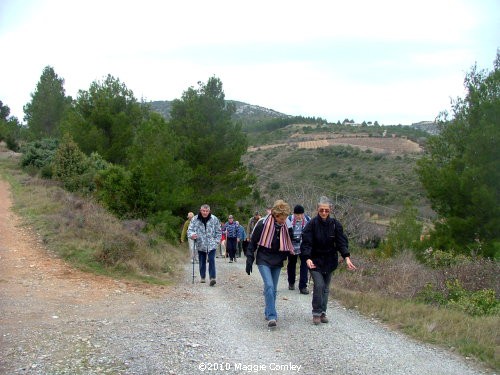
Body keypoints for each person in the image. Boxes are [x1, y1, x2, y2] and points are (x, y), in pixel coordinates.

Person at [301, 196, 356, 325]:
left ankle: (323, 312)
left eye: (326, 210)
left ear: (330, 210)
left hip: (330, 261)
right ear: (317, 210)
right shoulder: (312, 224)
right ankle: (316, 312)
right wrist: (307, 258)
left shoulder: (335, 225)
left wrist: (346, 257)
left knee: (325, 288)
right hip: (314, 260)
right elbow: (306, 243)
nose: (324, 213)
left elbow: (341, 242)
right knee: (319, 285)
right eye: (321, 210)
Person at [246, 199, 295, 328]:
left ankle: (268, 311)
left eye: (285, 218)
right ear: (275, 215)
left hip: (277, 260)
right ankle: (272, 316)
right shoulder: (262, 224)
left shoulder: (287, 226)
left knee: (273, 289)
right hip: (264, 258)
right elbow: (252, 243)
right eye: (281, 218)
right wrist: (249, 260)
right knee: (269, 285)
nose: (283, 220)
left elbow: (289, 244)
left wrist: (289, 258)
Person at [187, 204, 222, 286]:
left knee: (211, 260)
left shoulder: (214, 219)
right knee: (202, 261)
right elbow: (190, 230)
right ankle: (203, 276)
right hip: (200, 243)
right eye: (203, 211)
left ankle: (212, 278)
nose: (205, 213)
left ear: (209, 211)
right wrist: (192, 235)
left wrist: (216, 241)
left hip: (211, 244)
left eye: (207, 211)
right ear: (200, 210)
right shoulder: (195, 219)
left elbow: (219, 231)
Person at [285, 205, 311, 294]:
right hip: (292, 246)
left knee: (304, 265)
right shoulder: (288, 220)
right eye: (297, 215)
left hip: (304, 246)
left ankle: (303, 286)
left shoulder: (308, 220)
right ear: (294, 214)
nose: (299, 216)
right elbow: (286, 233)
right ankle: (291, 282)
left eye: (301, 214)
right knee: (291, 264)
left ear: (303, 214)